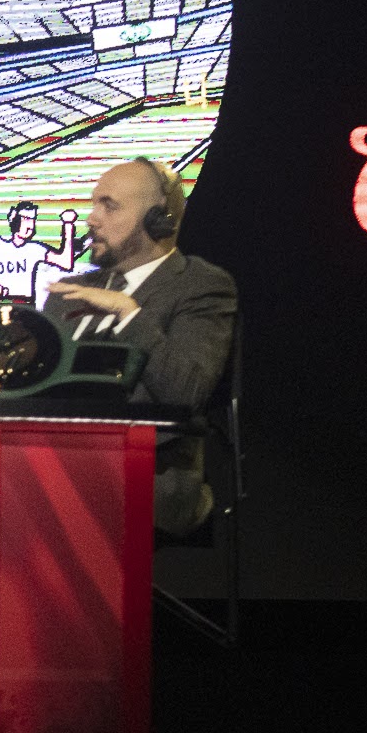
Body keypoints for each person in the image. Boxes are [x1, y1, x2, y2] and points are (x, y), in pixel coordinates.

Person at [45, 157, 237, 536]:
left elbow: (186, 393)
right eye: (94, 203)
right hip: (58, 466)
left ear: (158, 220)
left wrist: (130, 316)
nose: (91, 219)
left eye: (109, 205)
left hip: (151, 473)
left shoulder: (201, 286)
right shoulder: (68, 293)